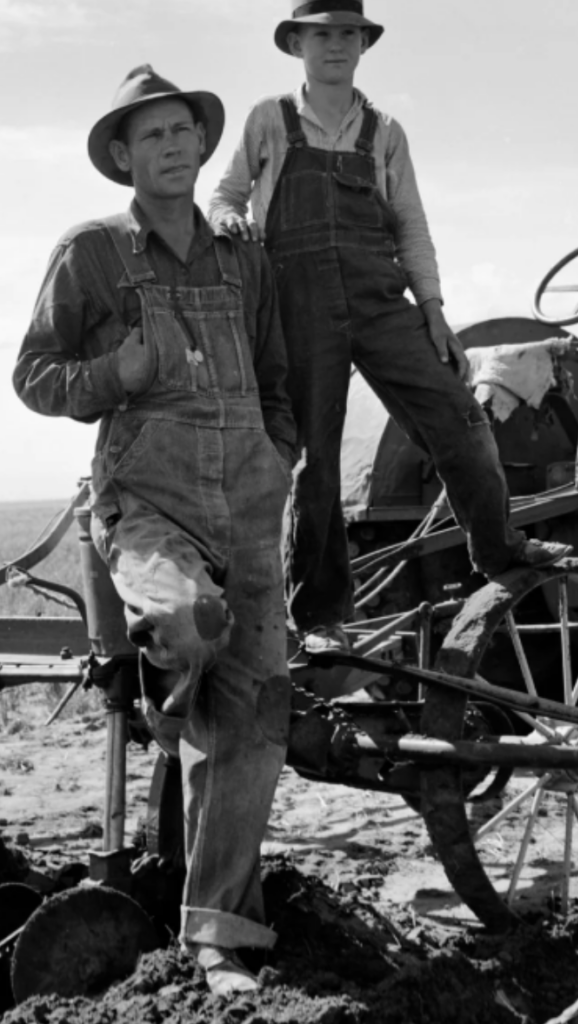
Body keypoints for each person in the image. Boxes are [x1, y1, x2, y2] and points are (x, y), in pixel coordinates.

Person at [13, 65, 296, 996]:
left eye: (184, 132)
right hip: (149, 501)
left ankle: (217, 935)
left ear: (201, 144)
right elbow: (35, 376)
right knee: (188, 627)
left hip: (250, 502)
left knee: (255, 716)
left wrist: (276, 446)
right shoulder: (92, 252)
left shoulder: (239, 251)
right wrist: (116, 371)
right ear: (123, 157)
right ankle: (161, 694)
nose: (173, 147)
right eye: (152, 137)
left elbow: (275, 367)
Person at [208, 1, 572, 655]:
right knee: (315, 462)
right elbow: (226, 194)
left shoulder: (384, 131)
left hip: (381, 301)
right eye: (322, 34)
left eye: (348, 33)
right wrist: (227, 219)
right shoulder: (269, 119)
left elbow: (411, 224)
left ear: (363, 44)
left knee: (460, 415)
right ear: (297, 44)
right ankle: (318, 619)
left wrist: (433, 312)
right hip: (298, 306)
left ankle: (498, 549)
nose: (336, 45)